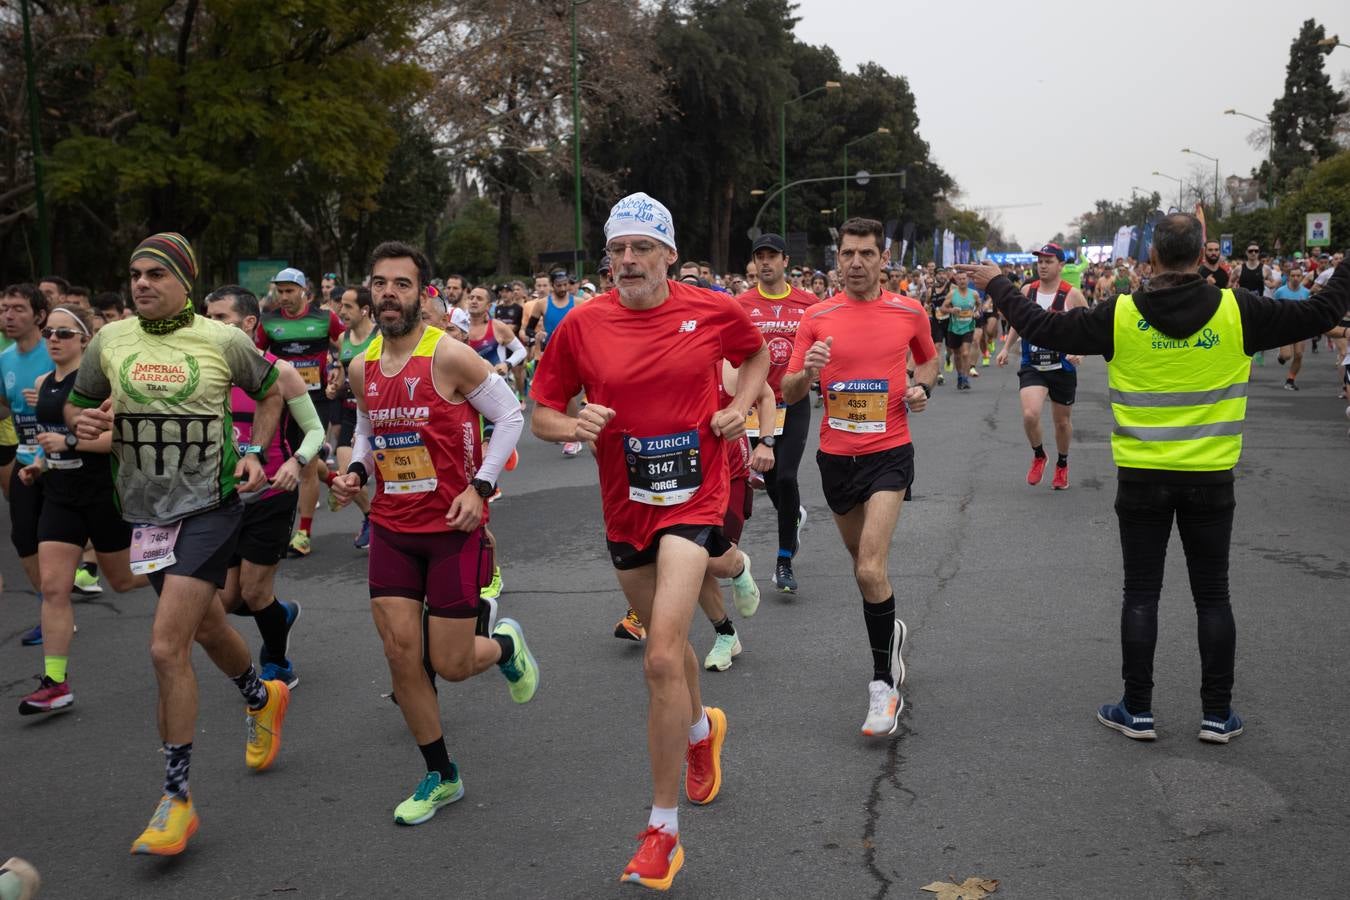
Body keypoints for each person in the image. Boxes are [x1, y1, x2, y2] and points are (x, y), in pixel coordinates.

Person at [959, 214, 1350, 744]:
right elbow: (1324, 310)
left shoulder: (1121, 314)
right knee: (1213, 596)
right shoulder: (1238, 311)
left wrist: (997, 285)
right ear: (1201, 256)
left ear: (1152, 260)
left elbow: (1045, 328)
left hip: (1141, 478)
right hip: (1211, 478)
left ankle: (1137, 709)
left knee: (1141, 593)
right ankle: (1218, 714)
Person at [531, 192, 768, 890]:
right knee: (675, 659)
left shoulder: (712, 308)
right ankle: (701, 733)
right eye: (617, 249)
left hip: (694, 498)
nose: (628, 260)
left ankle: (662, 830)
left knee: (661, 655)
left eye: (642, 248)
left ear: (668, 254)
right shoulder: (582, 324)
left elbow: (754, 357)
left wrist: (738, 406)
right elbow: (541, 409)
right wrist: (572, 427)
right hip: (626, 507)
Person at [67, 233, 289, 855]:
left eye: (155, 274)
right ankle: (260, 696)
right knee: (207, 627)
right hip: (146, 515)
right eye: (135, 273)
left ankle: (176, 800)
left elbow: (273, 389)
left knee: (167, 648)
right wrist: (81, 422)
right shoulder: (110, 341)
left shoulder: (223, 339)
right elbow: (80, 407)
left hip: (211, 508)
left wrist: (251, 451)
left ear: (184, 282)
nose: (140, 283)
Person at [329, 240, 538, 828]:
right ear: (369, 292)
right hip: (393, 527)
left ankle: (504, 647)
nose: (388, 293)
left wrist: (480, 487)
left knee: (448, 662)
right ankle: (441, 773)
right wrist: (355, 472)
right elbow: (370, 431)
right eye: (379, 282)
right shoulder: (360, 365)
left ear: (423, 293)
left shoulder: (449, 355)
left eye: (401, 283)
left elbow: (510, 416)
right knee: (400, 654)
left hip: (452, 525)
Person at [781, 217, 937, 740]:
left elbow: (929, 363)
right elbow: (791, 390)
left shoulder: (908, 310)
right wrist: (810, 369)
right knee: (862, 569)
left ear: (882, 259)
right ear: (836, 258)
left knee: (872, 568)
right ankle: (888, 630)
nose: (855, 263)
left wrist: (920, 389)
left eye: (866, 254)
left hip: (889, 452)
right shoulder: (817, 317)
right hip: (836, 457)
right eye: (847, 253)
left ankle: (882, 685)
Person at [17, 304, 148, 715]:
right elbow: (51, 436)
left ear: (84, 341)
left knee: (124, 581)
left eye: (64, 334)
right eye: (50, 332)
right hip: (59, 494)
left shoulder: (101, 385)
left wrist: (70, 445)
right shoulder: (43, 381)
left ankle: (183, 570)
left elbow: (121, 440)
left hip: (101, 491)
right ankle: (55, 683)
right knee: (54, 586)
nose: (54, 340)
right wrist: (40, 463)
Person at [206, 286, 325, 689]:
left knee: (255, 592)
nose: (211, 325)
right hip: (224, 497)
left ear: (249, 323)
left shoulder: (281, 371)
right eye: (208, 318)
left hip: (272, 491)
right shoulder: (206, 372)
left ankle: (277, 661)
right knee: (225, 600)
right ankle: (282, 614)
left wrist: (297, 461)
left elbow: (314, 431)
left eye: (220, 318)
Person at [735, 233, 816, 593]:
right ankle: (792, 514)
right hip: (756, 406)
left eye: (772, 256)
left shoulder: (808, 303)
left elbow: (824, 347)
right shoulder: (740, 304)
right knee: (769, 478)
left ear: (785, 261)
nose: (765, 263)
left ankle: (784, 561)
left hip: (793, 400)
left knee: (785, 477)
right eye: (759, 257)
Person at [255, 267, 344, 558]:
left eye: (289, 291)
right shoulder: (268, 322)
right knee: (294, 457)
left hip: (315, 399)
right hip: (281, 401)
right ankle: (333, 480)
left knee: (305, 463)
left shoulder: (324, 318)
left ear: (303, 290)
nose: (284, 297)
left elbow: (347, 347)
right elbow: (254, 358)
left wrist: (340, 372)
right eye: (279, 291)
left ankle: (303, 532)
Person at [996, 244, 1089, 490]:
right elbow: (1018, 321)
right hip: (1033, 364)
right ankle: (1039, 455)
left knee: (1061, 423)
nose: (1043, 266)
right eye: (1040, 262)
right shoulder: (1028, 290)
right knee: (1030, 413)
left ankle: (1062, 464)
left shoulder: (1072, 294)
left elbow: (1089, 329)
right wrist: (1006, 347)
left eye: (1049, 261)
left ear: (1061, 265)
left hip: (1062, 367)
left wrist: (1080, 352)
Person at [0, 283, 55, 645]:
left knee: (60, 538)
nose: (8, 315)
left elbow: (86, 397)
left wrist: (49, 400)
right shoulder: (4, 359)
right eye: (4, 308)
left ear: (38, 315)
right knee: (24, 537)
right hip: (24, 460)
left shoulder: (55, 351)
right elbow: (4, 407)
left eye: (18, 308)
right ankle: (50, 610)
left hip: (62, 462)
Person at [326, 286, 378, 548]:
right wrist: (334, 384)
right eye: (341, 305)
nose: (341, 311)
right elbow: (340, 368)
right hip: (350, 412)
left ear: (365, 309)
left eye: (348, 307)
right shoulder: (344, 337)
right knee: (348, 474)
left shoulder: (381, 335)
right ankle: (371, 517)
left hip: (378, 415)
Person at [940, 269, 980, 390]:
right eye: (960, 279)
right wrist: (951, 310)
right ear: (956, 280)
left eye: (964, 279)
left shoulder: (974, 294)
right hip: (954, 328)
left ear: (968, 280)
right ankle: (959, 376)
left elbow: (979, 304)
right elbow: (942, 308)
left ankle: (965, 379)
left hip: (968, 326)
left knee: (965, 353)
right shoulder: (952, 294)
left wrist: (977, 311)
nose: (962, 281)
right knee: (957, 355)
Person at [1274, 266, 1312, 390]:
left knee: (1299, 354)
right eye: (1293, 276)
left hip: (1300, 328)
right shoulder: (1280, 291)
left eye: (1298, 276)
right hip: (1285, 327)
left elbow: (1310, 311)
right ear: (1288, 277)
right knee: (1287, 356)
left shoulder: (1306, 292)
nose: (1295, 278)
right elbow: (1273, 308)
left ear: (1302, 277)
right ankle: (1280, 356)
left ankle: (1290, 380)